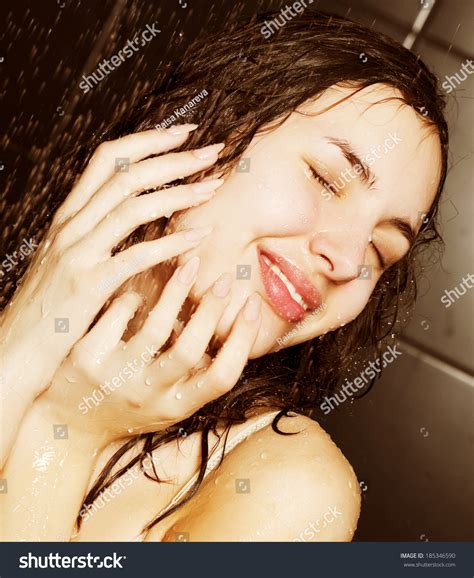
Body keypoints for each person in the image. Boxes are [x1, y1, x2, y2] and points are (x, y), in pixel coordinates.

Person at [0, 10, 448, 542]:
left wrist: (67, 435)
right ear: (208, 129)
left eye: (380, 249)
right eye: (327, 180)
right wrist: (22, 337)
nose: (348, 260)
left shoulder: (288, 489)